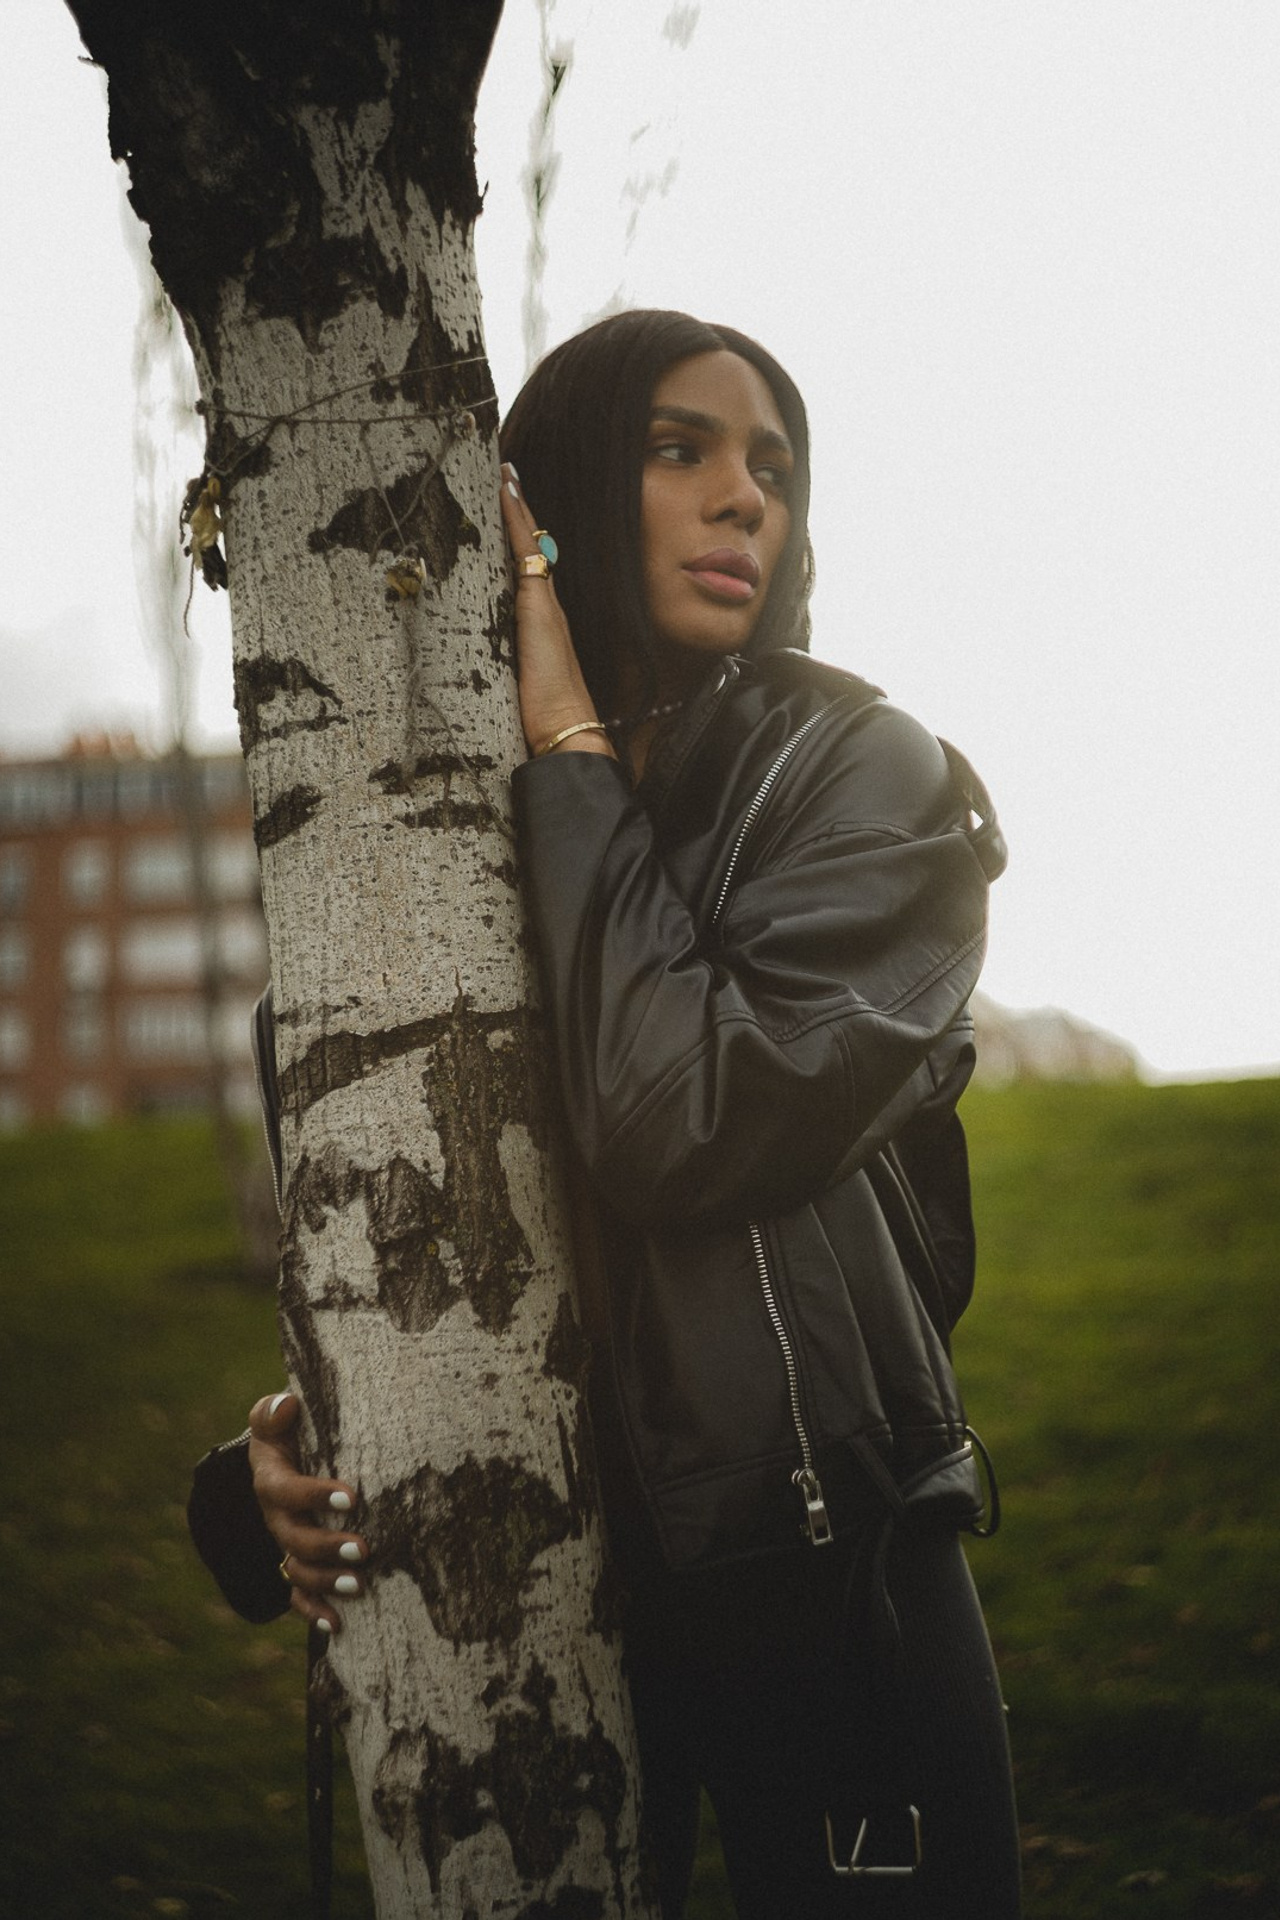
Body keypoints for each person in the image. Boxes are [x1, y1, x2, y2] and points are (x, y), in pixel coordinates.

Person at [193, 310, 1021, 1918]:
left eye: (772, 467)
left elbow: (681, 1120)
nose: (743, 501)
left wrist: (567, 744)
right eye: (679, 448)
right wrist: (264, 1479)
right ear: (555, 489)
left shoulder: (865, 781)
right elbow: (385, 1200)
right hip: (527, 1593)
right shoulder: (422, 837)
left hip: (823, 1578)